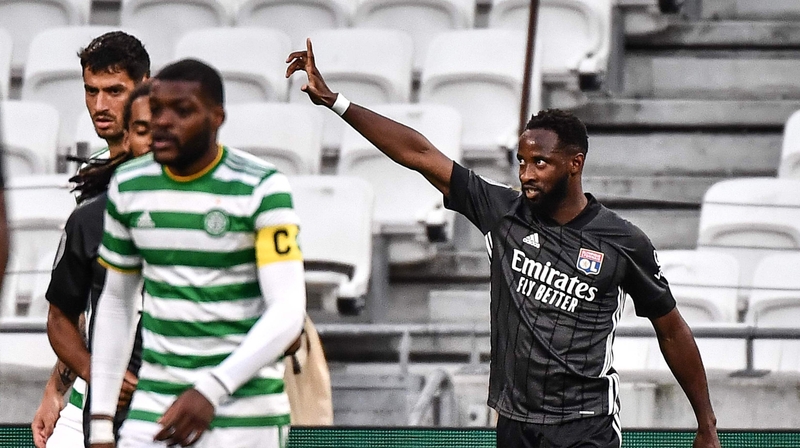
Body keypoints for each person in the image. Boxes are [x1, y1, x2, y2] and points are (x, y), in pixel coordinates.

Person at [287, 40, 721, 448]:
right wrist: (336, 102)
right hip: (514, 424)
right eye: (522, 162)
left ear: (575, 164)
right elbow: (418, 153)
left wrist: (706, 423)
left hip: (586, 424)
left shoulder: (623, 241)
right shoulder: (501, 212)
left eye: (540, 163)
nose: (527, 174)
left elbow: (671, 329)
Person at [88, 59, 306, 448]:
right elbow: (118, 303)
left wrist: (212, 389)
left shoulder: (261, 187)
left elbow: (288, 310)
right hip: (153, 409)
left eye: (182, 111)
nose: (164, 121)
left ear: (217, 117)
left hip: (245, 414)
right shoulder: (129, 184)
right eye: (156, 110)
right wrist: (102, 421)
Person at [31, 31, 150, 448]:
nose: (100, 106)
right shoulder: (95, 176)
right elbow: (81, 300)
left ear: (144, 88)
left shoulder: (175, 176)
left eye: (114, 91)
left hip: (159, 390)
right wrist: (57, 387)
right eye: (91, 91)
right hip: (95, 391)